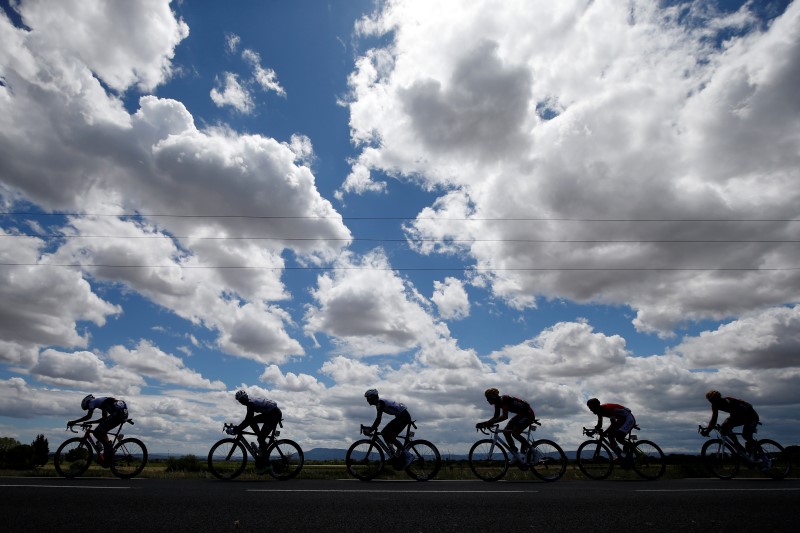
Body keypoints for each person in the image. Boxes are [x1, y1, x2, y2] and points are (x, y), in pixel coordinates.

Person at [476, 388, 536, 465]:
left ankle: (534, 451)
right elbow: (496, 417)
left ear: (493, 397)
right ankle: (516, 454)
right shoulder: (497, 403)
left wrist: (488, 423)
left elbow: (504, 416)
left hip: (528, 414)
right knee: (506, 432)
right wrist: (484, 423)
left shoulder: (504, 399)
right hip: (521, 414)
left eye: (488, 398)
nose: (487, 401)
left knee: (515, 433)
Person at [228, 390, 282, 474]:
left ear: (246, 397)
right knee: (255, 426)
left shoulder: (251, 403)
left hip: (274, 414)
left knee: (260, 437)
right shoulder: (250, 402)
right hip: (269, 414)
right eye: (240, 401)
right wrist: (238, 428)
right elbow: (249, 420)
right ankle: (261, 442)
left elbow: (247, 419)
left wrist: (236, 430)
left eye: (243, 399)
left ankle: (267, 465)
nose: (242, 402)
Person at [67, 394, 129, 465]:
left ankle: (108, 448)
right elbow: (104, 419)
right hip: (122, 413)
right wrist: (90, 422)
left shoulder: (92, 402)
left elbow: (88, 416)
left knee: (96, 432)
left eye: (88, 407)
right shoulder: (102, 403)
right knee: (102, 431)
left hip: (118, 413)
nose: (89, 408)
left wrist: (74, 422)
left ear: (87, 402)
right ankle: (107, 455)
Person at [700, 390, 760, 457]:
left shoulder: (729, 401)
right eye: (710, 401)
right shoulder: (715, 405)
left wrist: (726, 426)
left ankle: (764, 457)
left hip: (751, 416)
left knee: (746, 436)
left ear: (718, 398)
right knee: (724, 429)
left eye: (713, 400)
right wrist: (708, 430)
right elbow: (714, 419)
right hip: (739, 415)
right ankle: (739, 447)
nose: (712, 402)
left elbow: (735, 415)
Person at [363, 389, 414, 467]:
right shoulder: (379, 403)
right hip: (402, 416)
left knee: (389, 435)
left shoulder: (380, 403)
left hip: (403, 417)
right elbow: (378, 420)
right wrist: (372, 428)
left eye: (368, 398)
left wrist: (371, 430)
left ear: (373, 398)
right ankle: (393, 453)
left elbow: (378, 419)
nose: (367, 401)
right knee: (384, 433)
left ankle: (408, 455)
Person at [586, 398, 635, 463]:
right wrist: (592, 432)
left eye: (591, 408)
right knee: (610, 436)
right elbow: (599, 425)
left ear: (596, 406)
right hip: (621, 419)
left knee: (619, 437)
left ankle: (627, 453)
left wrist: (605, 432)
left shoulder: (608, 409)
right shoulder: (599, 412)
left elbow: (613, 424)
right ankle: (620, 455)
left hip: (628, 419)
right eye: (589, 408)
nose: (591, 410)